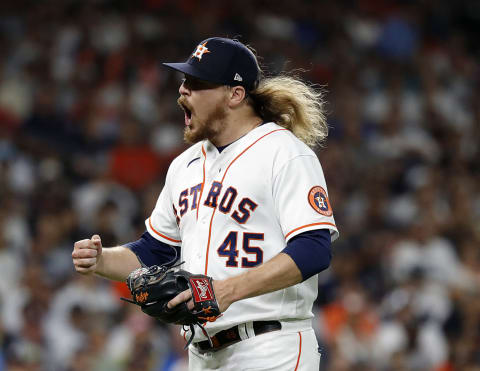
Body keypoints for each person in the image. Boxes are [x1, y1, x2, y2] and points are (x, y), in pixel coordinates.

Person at [72, 37, 339, 371]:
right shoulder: (184, 166)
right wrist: (101, 260)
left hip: (272, 347)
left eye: (197, 83)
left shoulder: (283, 153)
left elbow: (314, 248)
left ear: (235, 94)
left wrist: (226, 291)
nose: (183, 90)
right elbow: (153, 252)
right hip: (201, 354)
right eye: (184, 81)